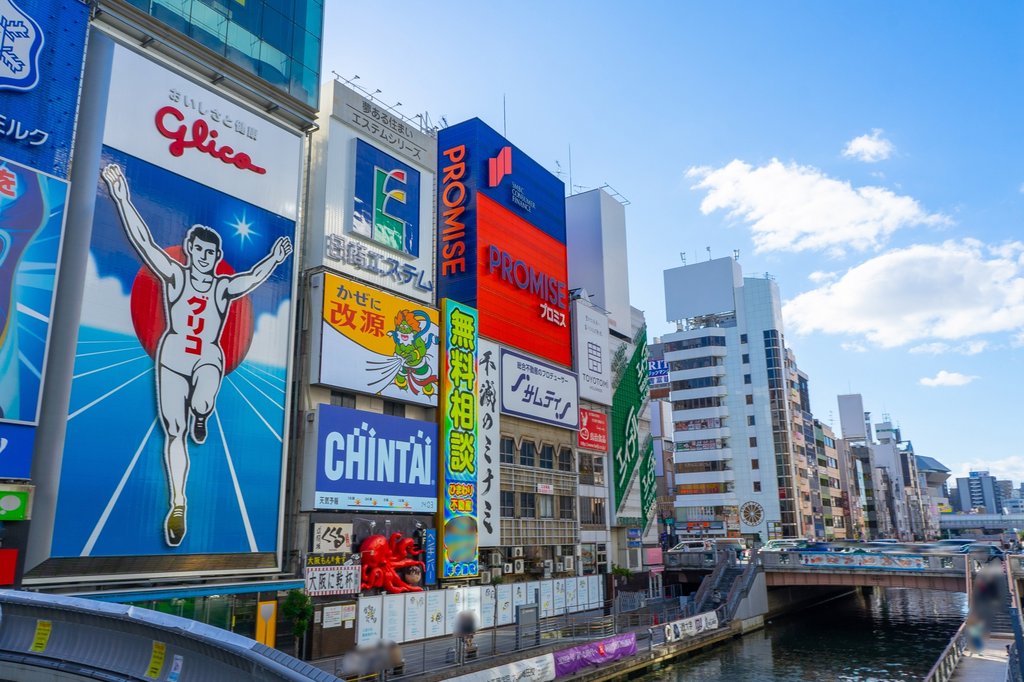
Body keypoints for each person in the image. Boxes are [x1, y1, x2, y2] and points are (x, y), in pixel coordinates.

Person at [101, 164, 292, 547]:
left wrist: (274, 259)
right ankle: (178, 504)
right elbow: (144, 243)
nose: (204, 256)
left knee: (202, 399)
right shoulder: (175, 275)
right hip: (171, 356)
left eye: (210, 252)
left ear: (217, 254)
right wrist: (121, 198)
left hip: (207, 356)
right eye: (199, 250)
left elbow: (252, 279)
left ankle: (202, 412)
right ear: (190, 250)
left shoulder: (222, 287)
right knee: (175, 432)